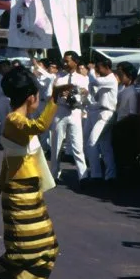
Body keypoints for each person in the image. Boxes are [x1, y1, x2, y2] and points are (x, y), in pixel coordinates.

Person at [0, 66, 59, 279]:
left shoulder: (19, 121)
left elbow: (8, 159)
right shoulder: (15, 120)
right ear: (31, 97)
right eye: (39, 98)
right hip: (19, 192)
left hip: (30, 190)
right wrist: (54, 100)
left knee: (44, 245)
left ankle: (6, 277)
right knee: (29, 246)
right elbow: (40, 127)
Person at [49, 51, 89, 187]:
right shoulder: (59, 77)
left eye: (67, 61)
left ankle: (83, 176)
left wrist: (77, 92)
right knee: (56, 145)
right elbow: (52, 96)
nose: (64, 63)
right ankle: (53, 175)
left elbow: (86, 94)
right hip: (60, 111)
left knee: (78, 146)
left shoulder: (83, 78)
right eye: (64, 61)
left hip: (75, 112)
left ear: (75, 62)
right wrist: (60, 92)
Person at [84, 56, 118, 182]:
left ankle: (96, 174)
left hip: (107, 114)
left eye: (99, 67)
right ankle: (110, 175)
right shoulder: (105, 80)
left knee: (92, 142)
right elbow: (96, 96)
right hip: (102, 112)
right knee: (105, 147)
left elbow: (96, 82)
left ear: (107, 67)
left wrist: (91, 71)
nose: (97, 69)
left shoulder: (111, 79)